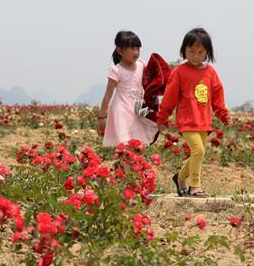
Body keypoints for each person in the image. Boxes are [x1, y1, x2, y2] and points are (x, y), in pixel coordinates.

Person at [157, 27, 230, 197]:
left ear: (207, 53)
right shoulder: (179, 72)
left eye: (200, 52)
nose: (195, 56)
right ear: (184, 50)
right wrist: (162, 117)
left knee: (198, 154)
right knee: (198, 151)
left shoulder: (210, 72)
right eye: (191, 51)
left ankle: (180, 178)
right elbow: (169, 97)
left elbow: (218, 96)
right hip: (187, 121)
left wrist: (224, 115)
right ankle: (194, 185)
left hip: (203, 121)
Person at [98, 31, 159, 148]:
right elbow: (107, 96)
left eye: (138, 48)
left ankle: (131, 166)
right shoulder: (116, 70)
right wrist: (101, 117)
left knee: (138, 144)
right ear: (120, 51)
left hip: (138, 110)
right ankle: (124, 165)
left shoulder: (142, 65)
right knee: (125, 142)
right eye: (131, 49)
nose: (136, 52)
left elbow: (150, 84)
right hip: (122, 110)